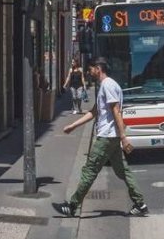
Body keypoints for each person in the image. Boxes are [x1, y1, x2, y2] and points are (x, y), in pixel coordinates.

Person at [53, 57, 148, 218]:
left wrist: (123, 137)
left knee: (90, 170)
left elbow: (116, 110)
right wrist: (73, 126)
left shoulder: (108, 85)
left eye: (90, 69)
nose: (89, 73)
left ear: (98, 68)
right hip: (112, 137)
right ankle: (140, 204)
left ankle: (72, 206)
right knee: (123, 171)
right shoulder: (106, 86)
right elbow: (94, 112)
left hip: (106, 137)